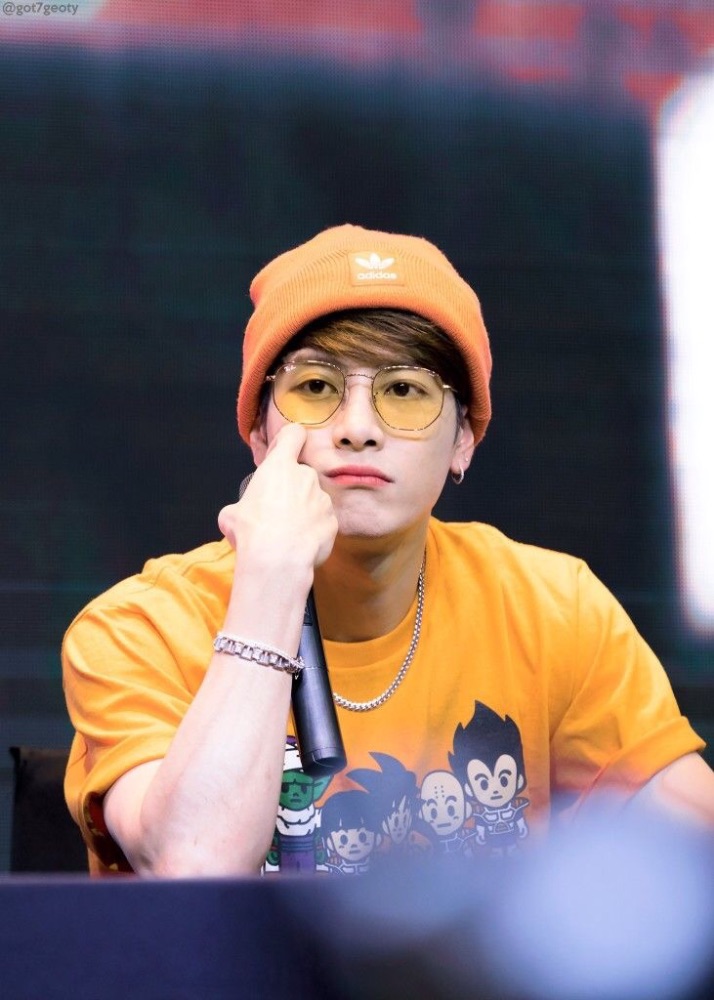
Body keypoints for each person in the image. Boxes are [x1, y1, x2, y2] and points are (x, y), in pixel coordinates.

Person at [62, 223, 714, 877]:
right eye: (315, 388)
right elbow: (196, 866)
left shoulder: (552, 609)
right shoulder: (140, 628)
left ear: (464, 438)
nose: (358, 429)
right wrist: (271, 582)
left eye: (404, 391)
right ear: (259, 433)